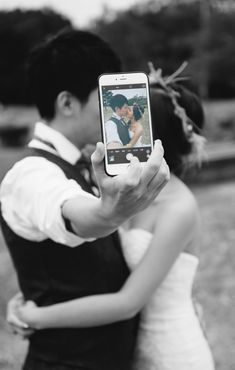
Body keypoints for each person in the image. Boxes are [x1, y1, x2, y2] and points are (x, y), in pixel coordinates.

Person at [7, 68, 215, 370]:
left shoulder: (179, 208)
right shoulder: (121, 193)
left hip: (172, 351)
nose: (114, 130)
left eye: (126, 123)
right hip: (126, 350)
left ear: (150, 136)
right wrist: (30, 295)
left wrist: (36, 316)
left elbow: (128, 302)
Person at [0, 29, 169, 370]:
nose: (115, 111)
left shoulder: (92, 160)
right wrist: (108, 212)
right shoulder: (31, 174)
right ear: (67, 103)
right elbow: (73, 212)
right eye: (105, 98)